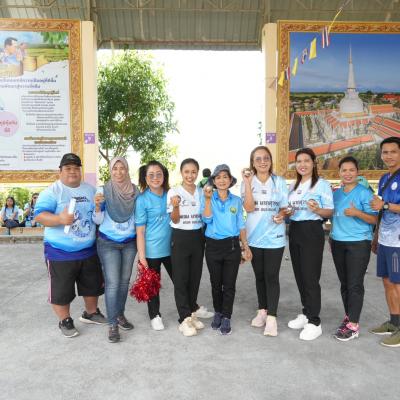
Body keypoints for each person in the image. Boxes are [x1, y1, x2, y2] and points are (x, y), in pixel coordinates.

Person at [34, 153, 106, 338]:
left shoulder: (90, 190)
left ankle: (91, 313)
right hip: (60, 252)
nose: (72, 171)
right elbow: (39, 215)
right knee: (61, 290)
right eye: (68, 168)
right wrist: (59, 219)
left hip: (88, 250)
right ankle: (65, 320)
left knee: (92, 285)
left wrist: (100, 206)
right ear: (60, 171)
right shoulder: (52, 191)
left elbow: (97, 215)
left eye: (76, 168)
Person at [286, 148, 333, 341]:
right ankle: (306, 313)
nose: (302, 164)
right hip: (295, 230)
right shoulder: (293, 185)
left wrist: (318, 210)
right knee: (299, 275)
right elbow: (290, 209)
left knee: (310, 276)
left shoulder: (322, 184)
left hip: (312, 230)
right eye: (299, 161)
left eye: (306, 160)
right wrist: (287, 213)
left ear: (314, 163)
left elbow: (329, 212)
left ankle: (315, 322)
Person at [241, 146, 288, 337]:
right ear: (252, 162)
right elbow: (249, 208)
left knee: (271, 276)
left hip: (275, 237)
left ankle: (272, 318)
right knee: (259, 276)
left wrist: (281, 214)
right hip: (254, 237)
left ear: (270, 160)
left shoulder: (279, 181)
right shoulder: (247, 182)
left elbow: (285, 208)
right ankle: (262, 311)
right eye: (258, 159)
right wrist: (247, 182)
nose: (262, 162)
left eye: (266, 158)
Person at [330, 156, 377, 341]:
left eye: (351, 170)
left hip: (358, 243)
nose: (348, 173)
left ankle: (354, 325)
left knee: (355, 284)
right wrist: (332, 237)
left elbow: (374, 219)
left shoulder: (365, 193)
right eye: (344, 170)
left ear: (357, 172)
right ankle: (349, 317)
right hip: (338, 242)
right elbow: (333, 218)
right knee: (344, 283)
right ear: (339, 172)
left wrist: (357, 212)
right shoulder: (336, 194)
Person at [201, 164, 252, 335]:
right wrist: (208, 200)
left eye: (225, 177)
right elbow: (207, 219)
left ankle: (227, 316)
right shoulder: (208, 197)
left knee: (229, 284)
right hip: (213, 246)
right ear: (213, 181)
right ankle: (218, 312)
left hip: (231, 246)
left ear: (230, 180)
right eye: (218, 177)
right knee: (216, 284)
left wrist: (245, 247)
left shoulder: (236, 201)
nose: (222, 180)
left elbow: (241, 225)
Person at [93, 157, 139, 343]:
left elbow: (137, 218)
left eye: (122, 168)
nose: (119, 172)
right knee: (112, 283)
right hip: (108, 243)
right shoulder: (103, 191)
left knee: (124, 282)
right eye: (115, 168)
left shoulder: (134, 191)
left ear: (127, 170)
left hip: (129, 243)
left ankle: (120, 315)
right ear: (110, 170)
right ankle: (112, 324)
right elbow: (97, 220)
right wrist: (97, 206)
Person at [167, 158, 206, 337]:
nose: (190, 175)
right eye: (186, 172)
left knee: (195, 277)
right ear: (181, 173)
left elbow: (206, 215)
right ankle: (184, 318)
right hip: (180, 236)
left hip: (198, 236)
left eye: (193, 172)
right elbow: (174, 220)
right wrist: (176, 206)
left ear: (197, 173)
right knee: (181, 278)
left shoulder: (201, 192)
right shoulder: (174, 192)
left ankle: (191, 312)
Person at [369, 137, 400, 347]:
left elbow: (384, 206)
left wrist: (386, 206)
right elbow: (380, 209)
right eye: (385, 152)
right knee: (387, 281)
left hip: (398, 242)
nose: (388, 156)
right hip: (385, 239)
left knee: (397, 283)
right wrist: (376, 236)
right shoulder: (383, 179)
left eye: (393, 151)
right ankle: (394, 322)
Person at [135, 160, 173, 331]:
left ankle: (190, 308)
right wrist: (142, 257)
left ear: (164, 176)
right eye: (151, 175)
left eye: (159, 174)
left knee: (181, 281)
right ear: (145, 178)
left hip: (172, 249)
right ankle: (155, 315)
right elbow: (140, 231)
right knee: (152, 285)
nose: (155, 177)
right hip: (152, 251)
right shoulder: (142, 200)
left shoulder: (171, 194)